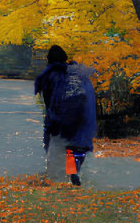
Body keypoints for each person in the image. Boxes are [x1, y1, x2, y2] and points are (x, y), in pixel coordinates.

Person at [34, 45, 97, 185]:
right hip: (84, 115)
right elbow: (89, 95)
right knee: (77, 146)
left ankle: (63, 172)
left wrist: (51, 122)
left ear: (49, 59)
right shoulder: (79, 73)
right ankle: (74, 171)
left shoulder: (50, 75)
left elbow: (49, 101)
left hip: (63, 116)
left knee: (60, 143)